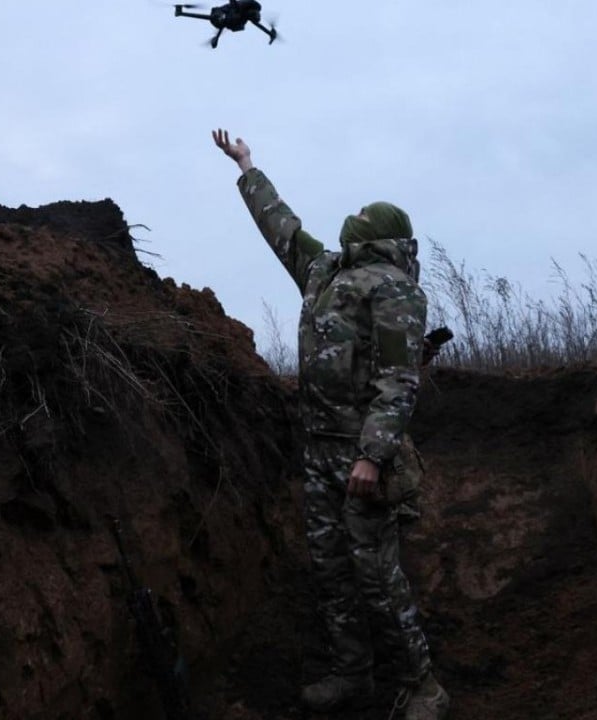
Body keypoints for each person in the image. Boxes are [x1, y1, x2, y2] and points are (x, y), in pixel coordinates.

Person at [212, 129, 449, 719]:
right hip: (317, 453)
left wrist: (373, 455)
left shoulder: (396, 289)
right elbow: (281, 227)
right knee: (330, 569)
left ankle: (424, 686)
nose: (353, 216)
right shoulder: (323, 272)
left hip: (360, 457)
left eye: (365, 216)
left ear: (384, 234)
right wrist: (247, 167)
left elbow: (400, 379)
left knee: (376, 572)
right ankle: (353, 673)